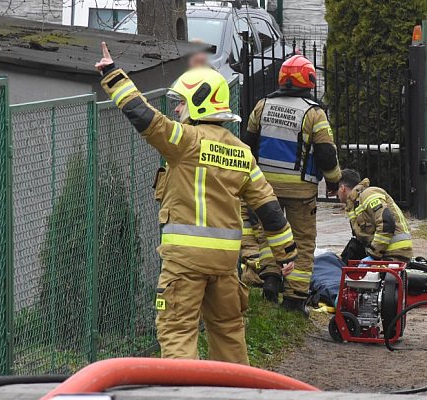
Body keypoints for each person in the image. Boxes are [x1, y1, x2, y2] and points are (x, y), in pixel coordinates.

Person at [95, 42, 297, 363]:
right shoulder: (241, 153)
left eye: (181, 103)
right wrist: (286, 254)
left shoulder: (186, 142)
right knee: (229, 332)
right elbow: (268, 207)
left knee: (177, 331)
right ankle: (237, 388)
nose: (177, 110)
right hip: (225, 265)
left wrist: (112, 74)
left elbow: (145, 117)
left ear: (199, 102)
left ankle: (184, 389)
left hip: (185, 263)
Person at [244, 55, 342, 314]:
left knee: (269, 233)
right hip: (301, 191)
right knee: (303, 241)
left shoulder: (262, 106)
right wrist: (334, 181)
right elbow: (326, 153)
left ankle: (271, 276)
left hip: (265, 189)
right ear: (309, 80)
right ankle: (294, 300)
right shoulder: (314, 113)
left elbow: (248, 144)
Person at [337, 169, 413, 263]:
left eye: (337, 190)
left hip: (393, 252)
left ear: (342, 188)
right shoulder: (355, 203)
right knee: (352, 249)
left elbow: (386, 223)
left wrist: (374, 255)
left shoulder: (368, 194)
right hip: (385, 251)